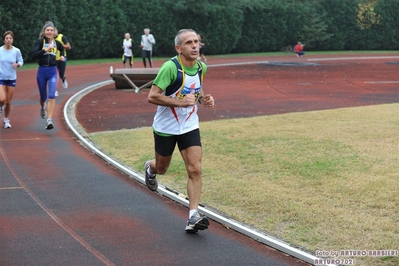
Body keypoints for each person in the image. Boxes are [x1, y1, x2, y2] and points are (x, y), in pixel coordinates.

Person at [145, 29, 215, 233]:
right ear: (178, 48)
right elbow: (152, 96)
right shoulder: (170, 68)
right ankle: (150, 168)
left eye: (197, 42)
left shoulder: (202, 67)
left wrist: (204, 99)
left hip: (190, 125)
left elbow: (197, 89)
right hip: (166, 128)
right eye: (189, 43)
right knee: (162, 168)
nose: (194, 46)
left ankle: (193, 215)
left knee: (195, 168)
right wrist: (179, 102)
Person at [31, 21, 65, 130]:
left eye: (51, 30)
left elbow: (62, 49)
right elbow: (33, 55)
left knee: (51, 96)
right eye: (47, 30)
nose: (49, 32)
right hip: (42, 71)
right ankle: (42, 107)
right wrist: (44, 50)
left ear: (54, 32)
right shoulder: (40, 41)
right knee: (43, 97)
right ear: (44, 31)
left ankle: (49, 120)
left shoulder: (57, 43)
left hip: (52, 71)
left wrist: (62, 57)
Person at [0, 31, 23, 129]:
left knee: (8, 101)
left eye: (10, 38)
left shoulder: (16, 51)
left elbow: (21, 61)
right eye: (7, 38)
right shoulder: (0, 50)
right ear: (4, 40)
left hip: (11, 78)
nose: (8, 40)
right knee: (2, 99)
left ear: (13, 40)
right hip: (1, 77)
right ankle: (1, 107)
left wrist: (17, 64)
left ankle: (6, 120)